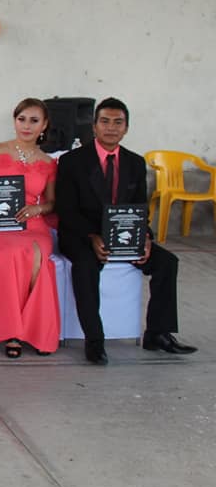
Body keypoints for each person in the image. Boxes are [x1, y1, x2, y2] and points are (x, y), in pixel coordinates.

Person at [56, 97, 197, 365]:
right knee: (85, 266)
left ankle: (158, 333)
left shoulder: (134, 162)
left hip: (124, 236)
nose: (111, 128)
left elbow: (140, 208)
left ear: (126, 128)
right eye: (105, 122)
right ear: (94, 126)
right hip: (81, 235)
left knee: (167, 262)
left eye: (118, 123)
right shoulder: (71, 161)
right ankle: (95, 341)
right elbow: (66, 209)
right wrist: (92, 236)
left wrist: (144, 237)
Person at [0, 98, 60, 357]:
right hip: (0, 225)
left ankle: (36, 331)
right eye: (21, 119)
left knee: (37, 256)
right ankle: (13, 332)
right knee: (10, 255)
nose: (26, 126)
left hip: (34, 224)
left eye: (34, 120)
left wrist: (37, 209)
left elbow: (52, 203)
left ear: (44, 125)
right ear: (14, 121)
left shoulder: (49, 162)